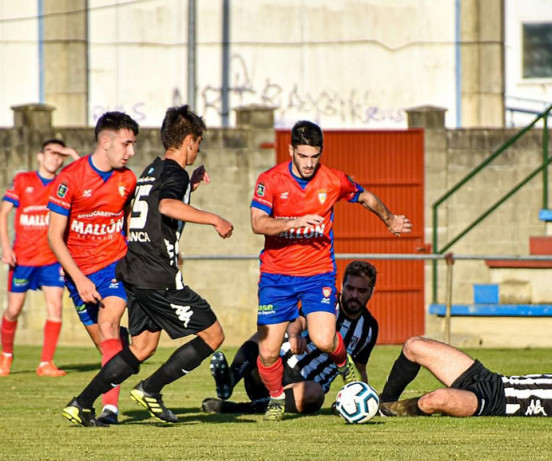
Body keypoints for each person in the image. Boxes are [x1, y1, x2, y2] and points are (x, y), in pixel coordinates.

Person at [61, 105, 234, 427]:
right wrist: (214, 219)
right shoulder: (174, 174)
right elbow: (167, 205)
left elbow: (154, 206)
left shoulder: (151, 171)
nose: (197, 150)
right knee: (213, 335)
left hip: (134, 270)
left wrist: (189, 186)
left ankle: (81, 403)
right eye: (198, 143)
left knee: (142, 346)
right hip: (158, 275)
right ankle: (150, 388)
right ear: (190, 142)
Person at [250, 120, 411, 421]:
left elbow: (365, 197)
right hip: (276, 276)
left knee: (325, 339)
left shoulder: (332, 180)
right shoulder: (270, 180)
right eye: (303, 156)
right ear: (291, 151)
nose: (309, 163)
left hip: (317, 273)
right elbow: (258, 223)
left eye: (315, 156)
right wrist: (293, 222)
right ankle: (275, 398)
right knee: (268, 352)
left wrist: (389, 220)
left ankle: (345, 366)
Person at [47, 112, 139, 424]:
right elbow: (54, 237)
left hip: (114, 267)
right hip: (78, 276)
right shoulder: (70, 179)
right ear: (105, 141)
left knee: (110, 324)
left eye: (133, 145)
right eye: (126, 144)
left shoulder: (128, 179)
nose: (131, 152)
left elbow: (135, 218)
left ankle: (109, 410)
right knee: (110, 350)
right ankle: (127, 349)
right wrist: (79, 279)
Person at [202, 260, 379, 415]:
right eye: (350, 288)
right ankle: (230, 380)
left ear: (372, 291)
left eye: (361, 290)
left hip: (301, 389)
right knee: (265, 335)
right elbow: (299, 320)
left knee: (316, 393)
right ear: (342, 286)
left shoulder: (369, 329)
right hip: (274, 367)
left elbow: (360, 368)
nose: (354, 295)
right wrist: (294, 335)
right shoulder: (326, 303)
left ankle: (237, 409)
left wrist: (363, 398)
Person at [378, 337, 552, 419]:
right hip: (491, 379)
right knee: (414, 346)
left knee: (435, 399)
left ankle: (391, 412)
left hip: (494, 402)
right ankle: (381, 403)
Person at [0, 139, 79, 377]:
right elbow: (3, 213)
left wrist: (73, 152)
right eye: (51, 153)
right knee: (13, 310)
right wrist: (5, 247)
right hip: (22, 259)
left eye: (59, 155)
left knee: (55, 308)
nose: (55, 158)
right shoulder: (23, 181)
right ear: (40, 156)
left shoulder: (63, 182)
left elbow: (84, 171)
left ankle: (46, 363)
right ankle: (6, 356)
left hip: (51, 260)